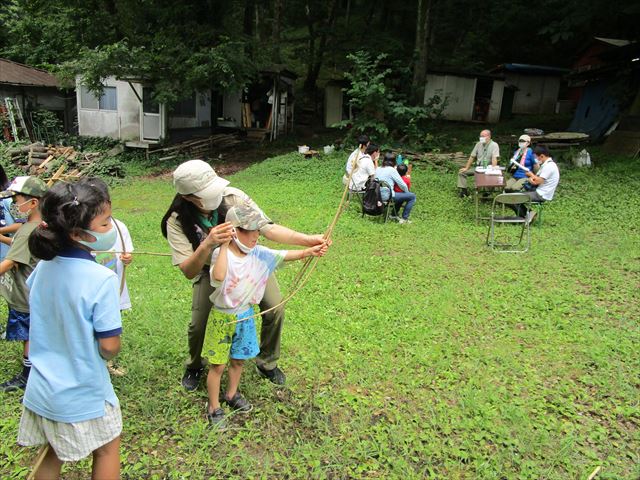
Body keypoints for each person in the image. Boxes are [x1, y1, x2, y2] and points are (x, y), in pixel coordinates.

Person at [161, 159, 330, 391]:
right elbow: (188, 270)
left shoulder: (233, 198)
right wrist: (208, 244)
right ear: (189, 197)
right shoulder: (177, 220)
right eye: (205, 194)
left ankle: (267, 362)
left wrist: (307, 240)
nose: (214, 196)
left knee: (275, 307)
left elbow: (268, 228)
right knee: (199, 324)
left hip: (250, 263)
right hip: (213, 272)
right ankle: (195, 365)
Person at [18, 177, 122, 479]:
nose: (111, 228)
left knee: (52, 449)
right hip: (83, 390)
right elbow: (109, 345)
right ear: (78, 234)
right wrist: (110, 350)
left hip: (43, 388)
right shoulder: (100, 280)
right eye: (104, 224)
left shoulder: (43, 269)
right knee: (107, 446)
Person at [204, 205, 328, 428]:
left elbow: (285, 255)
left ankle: (231, 394)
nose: (255, 236)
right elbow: (219, 276)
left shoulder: (259, 254)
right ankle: (214, 406)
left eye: (258, 230)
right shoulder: (221, 255)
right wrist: (222, 246)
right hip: (222, 320)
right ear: (232, 231)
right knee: (217, 366)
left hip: (245, 317)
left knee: (239, 360)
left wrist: (310, 251)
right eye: (248, 231)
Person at [0, 176, 47, 392]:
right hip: (38, 294)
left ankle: (28, 377)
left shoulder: (28, 229)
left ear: (33, 202)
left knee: (27, 335)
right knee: (33, 334)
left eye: (17, 200)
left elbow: (10, 262)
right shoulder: (41, 226)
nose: (15, 206)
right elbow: (21, 245)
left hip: (25, 297)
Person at [514, 145, 560, 221]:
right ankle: (527, 215)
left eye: (537, 157)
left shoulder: (549, 166)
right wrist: (531, 178)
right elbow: (537, 179)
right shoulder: (546, 165)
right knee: (513, 195)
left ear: (542, 156)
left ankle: (527, 216)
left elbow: (537, 181)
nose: (536, 159)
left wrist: (530, 175)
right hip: (539, 191)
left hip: (541, 194)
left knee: (513, 198)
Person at [457, 129, 500, 197]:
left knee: (489, 177)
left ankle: (487, 192)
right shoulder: (478, 144)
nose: (481, 138)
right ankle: (464, 191)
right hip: (478, 167)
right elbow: (472, 156)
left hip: (488, 168)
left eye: (483, 136)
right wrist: (466, 168)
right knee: (462, 172)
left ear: (489, 136)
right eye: (480, 136)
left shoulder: (494, 145)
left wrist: (493, 169)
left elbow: (494, 158)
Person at [375, 154, 416, 224]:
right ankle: (404, 219)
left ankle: (393, 214)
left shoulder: (378, 168)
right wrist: (407, 192)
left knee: (401, 195)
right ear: (394, 162)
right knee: (412, 196)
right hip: (387, 196)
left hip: (376, 194)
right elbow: (402, 184)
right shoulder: (392, 170)